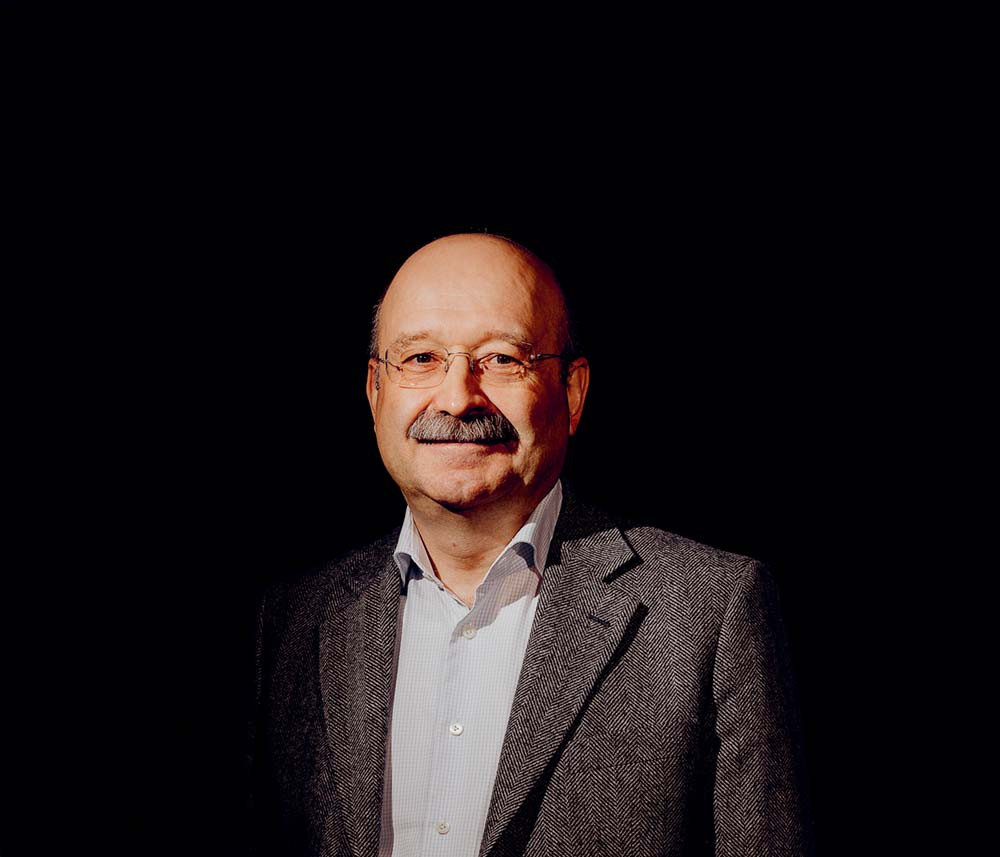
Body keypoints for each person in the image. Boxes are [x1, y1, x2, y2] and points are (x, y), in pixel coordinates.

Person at [248, 233, 813, 856]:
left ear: (572, 392)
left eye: (501, 359)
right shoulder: (294, 621)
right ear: (375, 391)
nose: (458, 398)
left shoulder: (710, 609)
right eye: (420, 359)